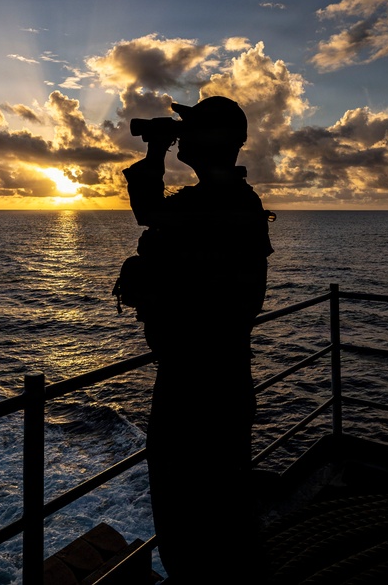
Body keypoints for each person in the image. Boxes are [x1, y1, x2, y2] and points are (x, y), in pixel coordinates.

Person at [121, 96, 273, 581]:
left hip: (197, 380)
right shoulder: (230, 200)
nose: (180, 135)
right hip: (216, 372)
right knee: (221, 502)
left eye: (189, 130)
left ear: (209, 142)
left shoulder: (218, 203)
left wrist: (155, 153)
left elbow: (147, 211)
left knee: (188, 504)